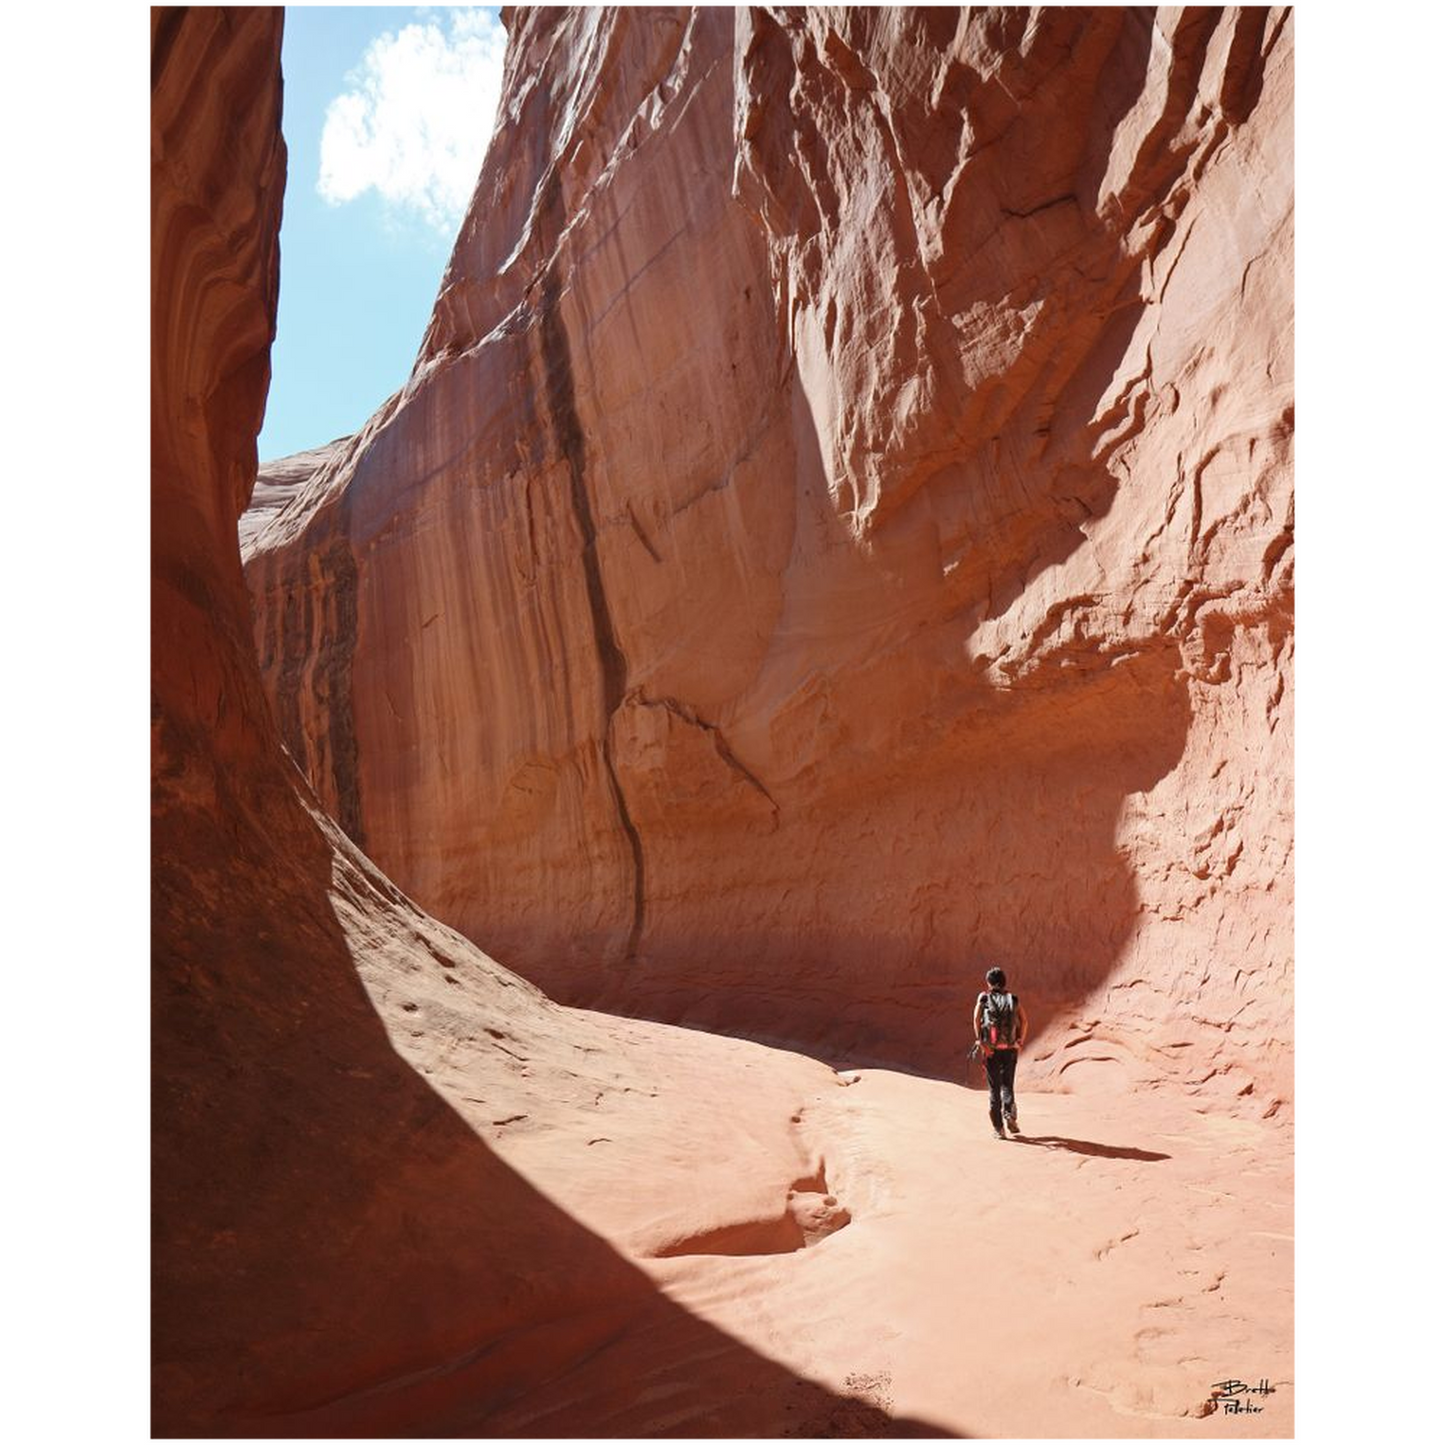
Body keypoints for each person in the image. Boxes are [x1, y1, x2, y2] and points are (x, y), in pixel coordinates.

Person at [973, 967, 1028, 1139]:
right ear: (1004, 982)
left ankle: (998, 1129)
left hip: (991, 1051)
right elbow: (1024, 1021)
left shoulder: (983, 998)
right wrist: (1019, 1041)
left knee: (994, 1089)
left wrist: (982, 1043)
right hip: (1010, 1049)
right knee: (1007, 1085)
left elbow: (976, 1019)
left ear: (989, 982)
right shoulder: (1013, 999)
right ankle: (1010, 1114)